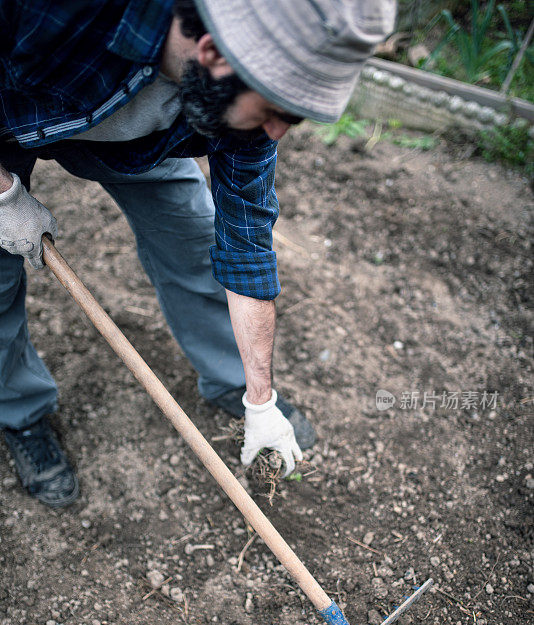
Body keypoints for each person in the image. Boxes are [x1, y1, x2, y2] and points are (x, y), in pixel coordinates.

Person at [0, 0, 395, 507]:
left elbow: (246, 250)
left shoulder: (243, 109)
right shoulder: (48, 12)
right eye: (277, 110)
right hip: (12, 115)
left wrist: (262, 398)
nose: (278, 132)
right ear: (211, 52)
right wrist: (6, 194)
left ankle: (234, 384)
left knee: (192, 238)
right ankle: (20, 413)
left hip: (134, 137)